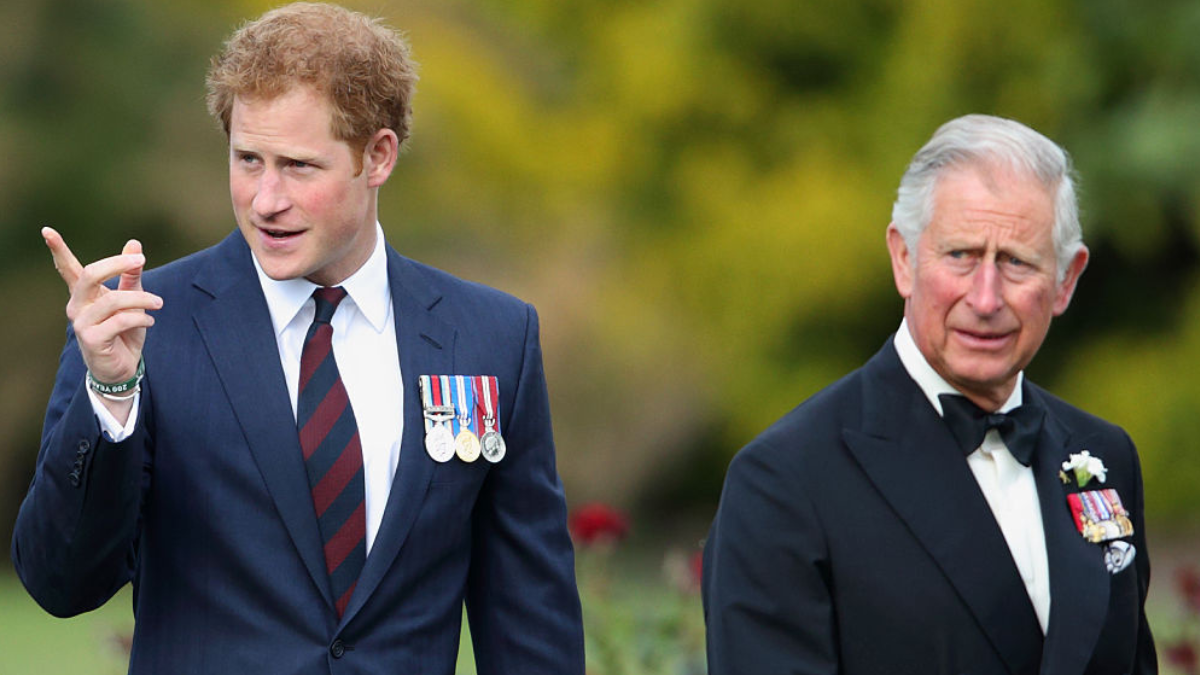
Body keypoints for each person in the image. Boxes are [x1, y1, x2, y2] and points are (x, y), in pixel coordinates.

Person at [12, 3, 584, 673]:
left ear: (377, 156)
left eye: (299, 166)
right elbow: (60, 582)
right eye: (248, 159)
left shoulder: (491, 337)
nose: (265, 199)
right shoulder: (139, 328)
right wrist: (111, 392)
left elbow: (530, 626)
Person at [702, 114, 1156, 674]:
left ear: (1066, 280)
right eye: (960, 255)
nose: (985, 299)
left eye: (1016, 262)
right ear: (904, 259)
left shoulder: (1105, 456)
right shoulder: (784, 481)